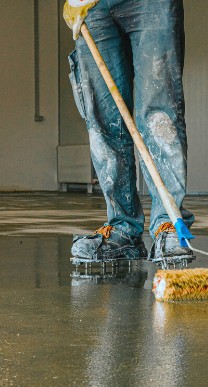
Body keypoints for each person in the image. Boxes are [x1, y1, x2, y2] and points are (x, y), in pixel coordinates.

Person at [63, 0, 194, 266]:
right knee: (104, 118)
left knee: (160, 113)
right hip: (91, 6)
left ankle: (169, 224)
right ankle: (122, 228)